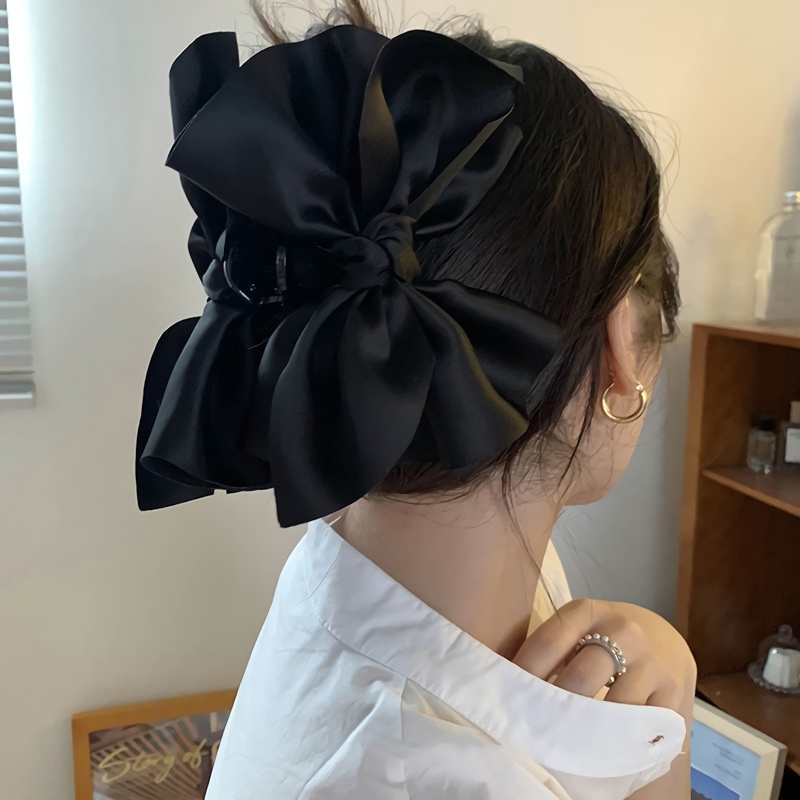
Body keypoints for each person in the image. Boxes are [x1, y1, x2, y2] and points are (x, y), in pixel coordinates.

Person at [135, 2, 696, 797]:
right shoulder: (449, 773)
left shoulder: (358, 566)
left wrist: (663, 679)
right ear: (618, 349)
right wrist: (671, 734)